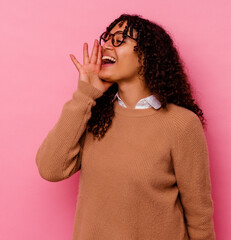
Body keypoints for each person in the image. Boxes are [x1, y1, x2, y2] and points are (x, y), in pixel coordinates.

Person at [36, 13, 216, 240]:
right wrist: (85, 94)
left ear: (146, 55)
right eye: (106, 38)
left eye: (119, 39)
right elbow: (50, 169)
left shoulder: (181, 124)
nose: (105, 47)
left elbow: (199, 215)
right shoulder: (92, 116)